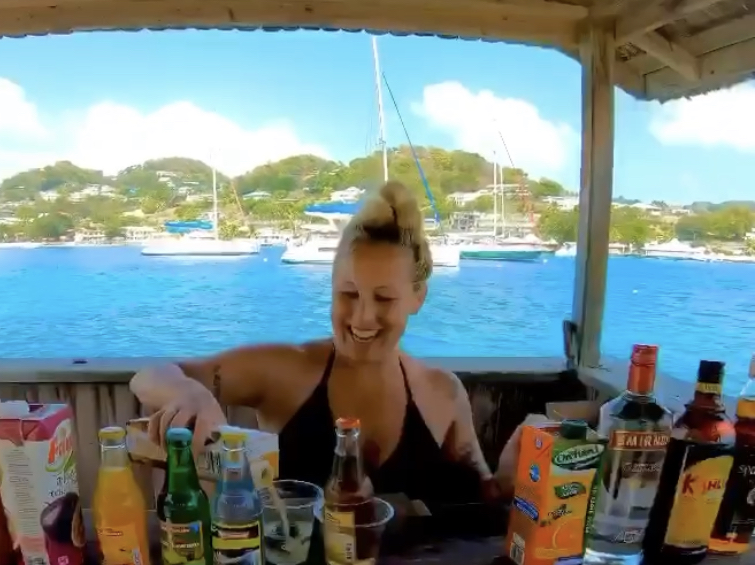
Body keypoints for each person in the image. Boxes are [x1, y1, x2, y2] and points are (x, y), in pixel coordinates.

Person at [131, 181, 512, 510]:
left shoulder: (442, 393)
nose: (362, 317)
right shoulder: (289, 372)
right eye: (348, 294)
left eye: (383, 299)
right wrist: (188, 393)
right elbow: (150, 376)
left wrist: (515, 475)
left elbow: (482, 500)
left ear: (417, 298)